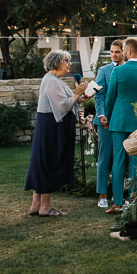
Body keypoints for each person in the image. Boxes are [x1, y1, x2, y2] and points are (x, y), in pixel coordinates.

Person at [25, 50, 90, 217]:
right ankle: (45, 207)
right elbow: (62, 106)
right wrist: (76, 94)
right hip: (51, 128)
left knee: (42, 161)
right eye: (66, 61)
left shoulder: (53, 80)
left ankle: (36, 204)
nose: (69, 64)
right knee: (49, 161)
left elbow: (66, 100)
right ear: (56, 63)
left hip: (48, 126)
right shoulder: (52, 81)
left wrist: (79, 98)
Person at [101, 37, 137, 214]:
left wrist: (108, 117)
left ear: (129, 51)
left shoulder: (118, 72)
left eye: (123, 49)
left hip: (118, 122)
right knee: (135, 162)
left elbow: (110, 98)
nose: (122, 52)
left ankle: (117, 203)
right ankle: (133, 201)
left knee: (118, 161)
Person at [93, 40, 124, 209]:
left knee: (120, 159)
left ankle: (117, 194)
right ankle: (102, 194)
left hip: (121, 121)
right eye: (112, 52)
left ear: (124, 53)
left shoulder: (127, 71)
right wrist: (103, 115)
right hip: (104, 122)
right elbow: (99, 96)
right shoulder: (103, 71)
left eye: (117, 52)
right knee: (104, 157)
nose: (114, 54)